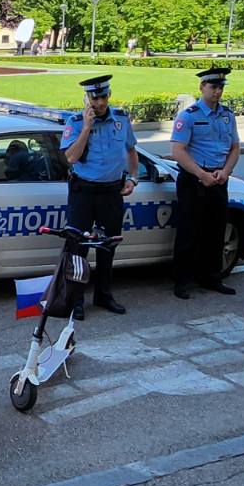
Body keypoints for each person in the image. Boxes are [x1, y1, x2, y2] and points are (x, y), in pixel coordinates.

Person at [60, 75, 138, 318]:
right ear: (87, 99)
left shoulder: (121, 119)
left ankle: (104, 295)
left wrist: (133, 178)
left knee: (108, 245)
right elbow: (71, 158)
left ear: (109, 96)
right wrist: (86, 128)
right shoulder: (74, 122)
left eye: (103, 97)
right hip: (83, 190)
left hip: (111, 191)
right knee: (78, 247)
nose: (99, 103)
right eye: (94, 98)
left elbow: (131, 149)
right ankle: (76, 300)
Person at [169, 66, 241, 299]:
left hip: (219, 178)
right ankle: (182, 281)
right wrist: (202, 174)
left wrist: (226, 172)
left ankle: (211, 277)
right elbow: (178, 151)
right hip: (194, 179)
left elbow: (235, 147)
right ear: (202, 87)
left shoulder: (227, 115)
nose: (217, 92)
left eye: (220, 87)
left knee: (216, 230)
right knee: (189, 231)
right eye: (213, 87)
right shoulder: (189, 116)